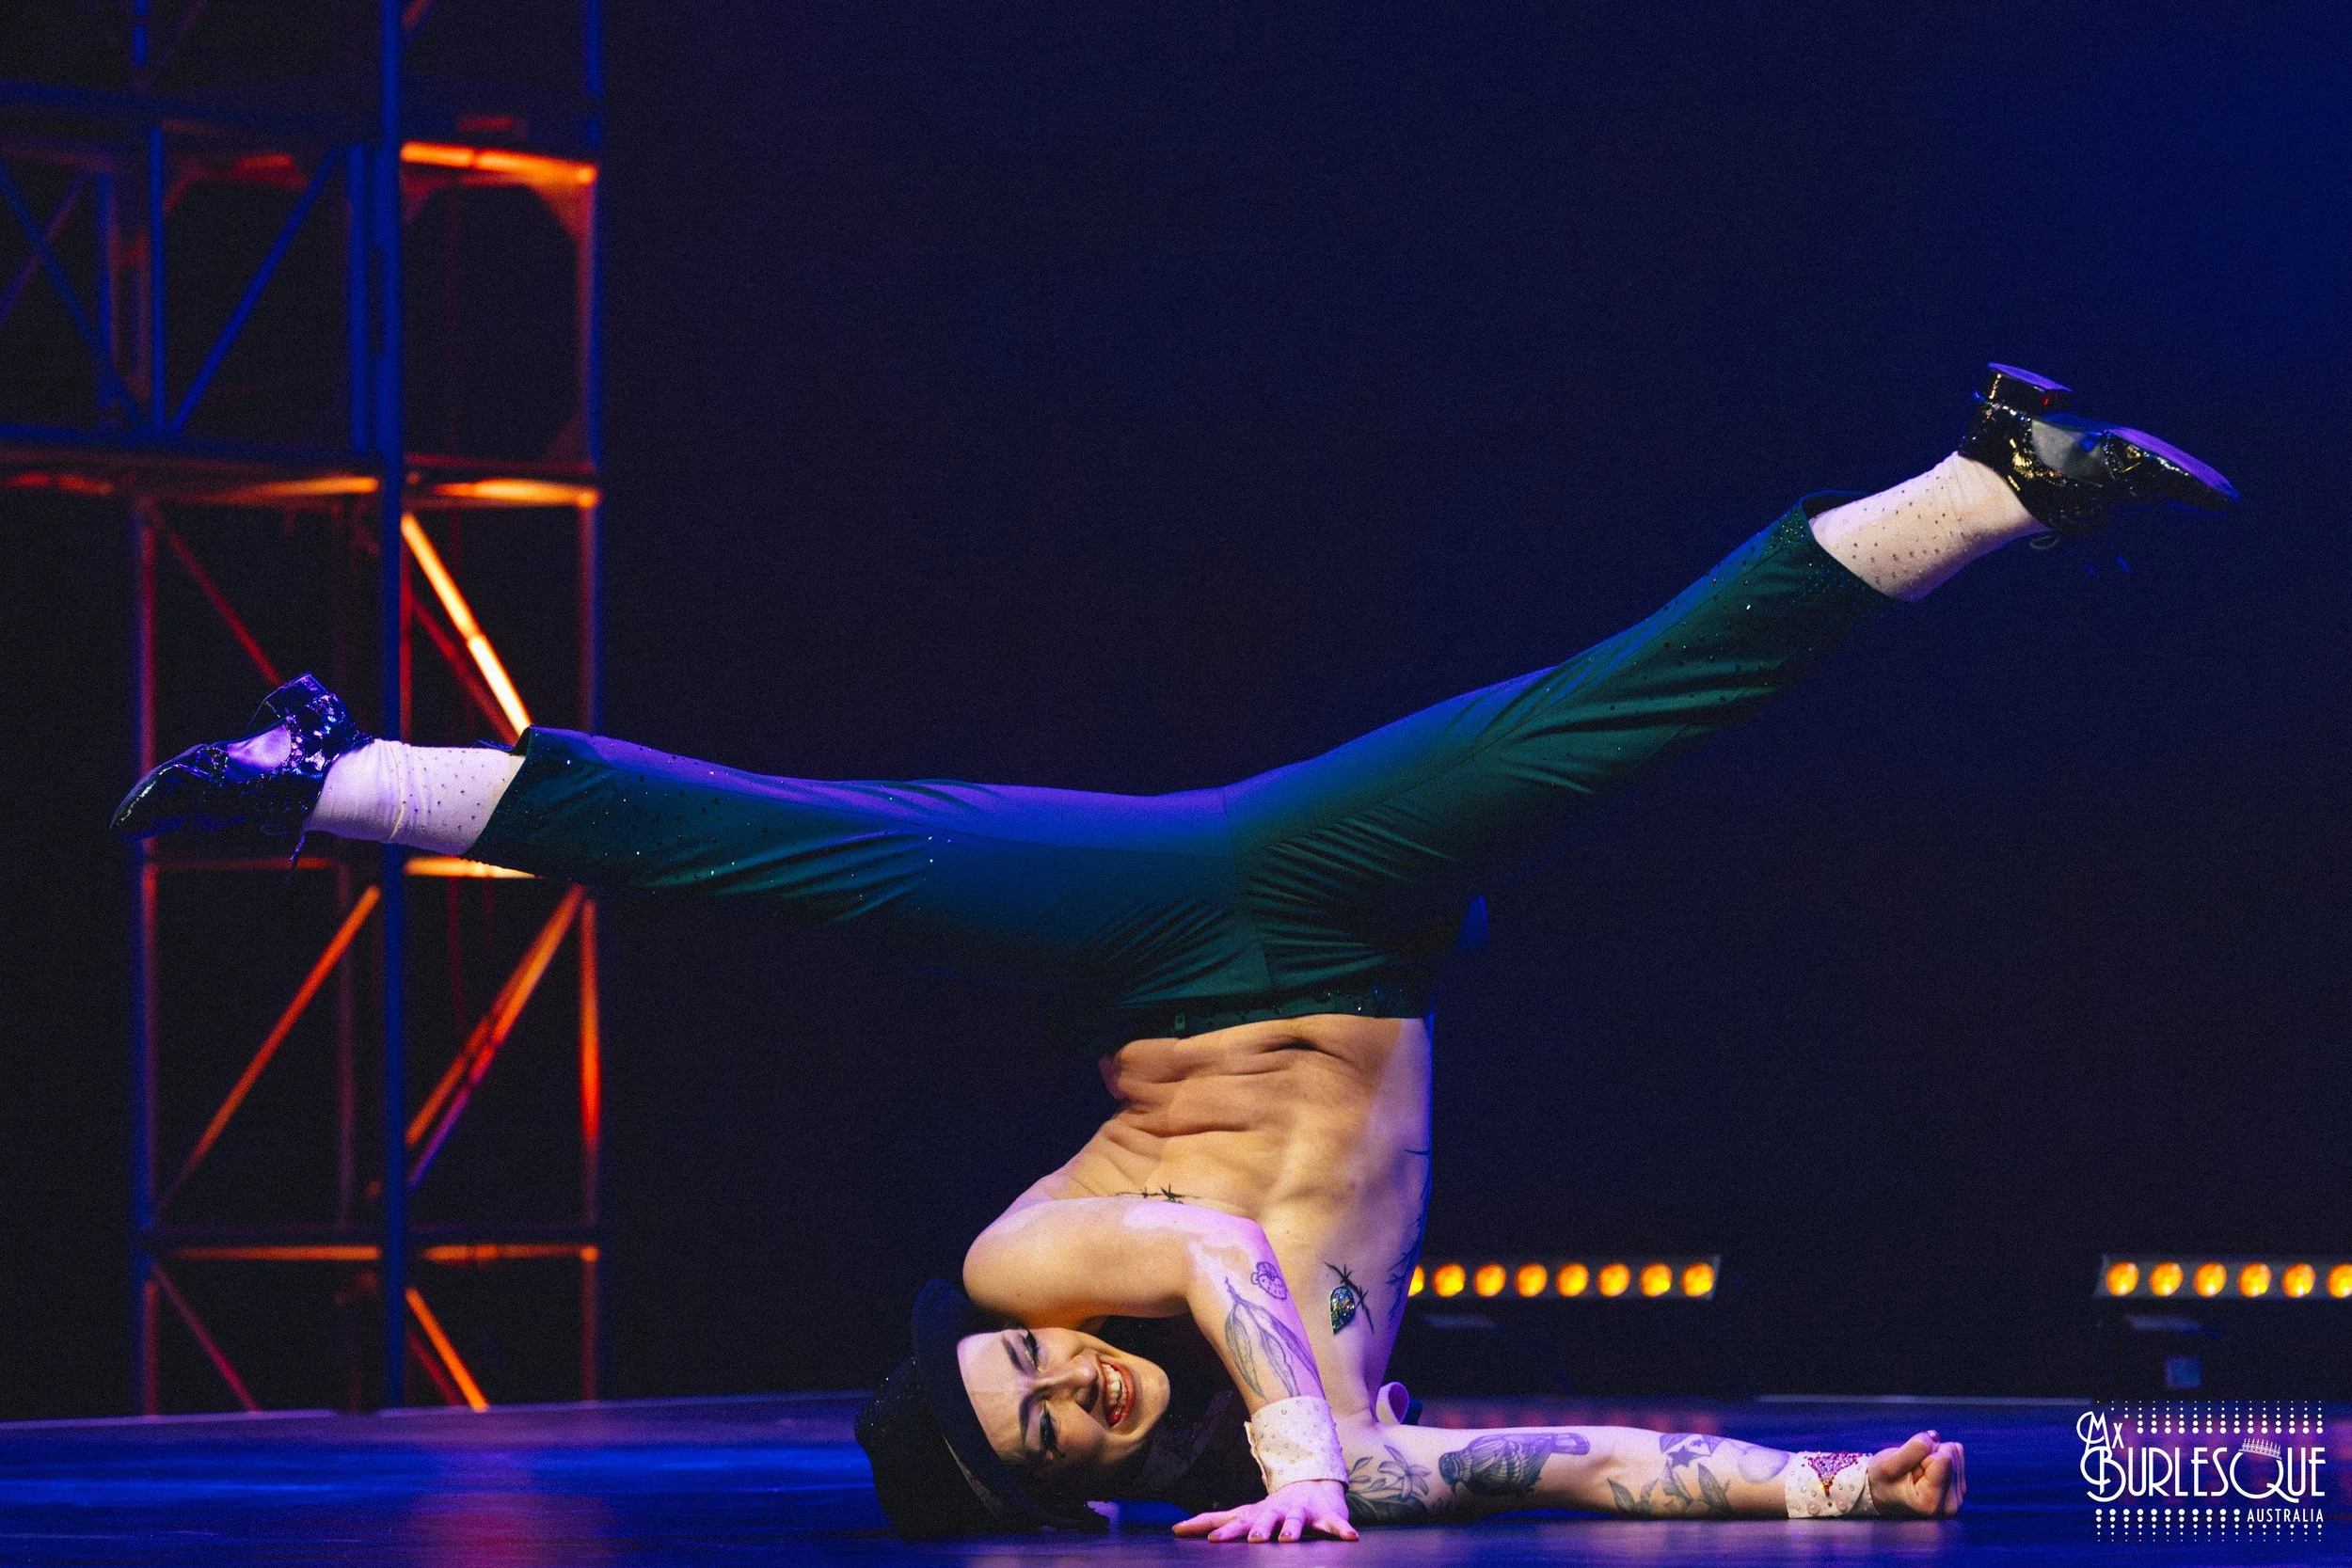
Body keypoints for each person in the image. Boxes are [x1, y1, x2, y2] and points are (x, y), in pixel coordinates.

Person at [114, 365, 2233, 1539]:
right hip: (1366, 941)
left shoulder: (1037, 1271)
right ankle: (1998, 476)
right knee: (1610, 715)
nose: (1064, 1362)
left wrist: (1307, 1452)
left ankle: (336, 777)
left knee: (796, 845)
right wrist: (1811, 1490)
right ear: (1094, 1490)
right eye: (1056, 1416)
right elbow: (1516, 1461)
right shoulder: (1276, 1448)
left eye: (1028, 1363)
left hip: (1175, 928)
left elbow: (1220, 1266)